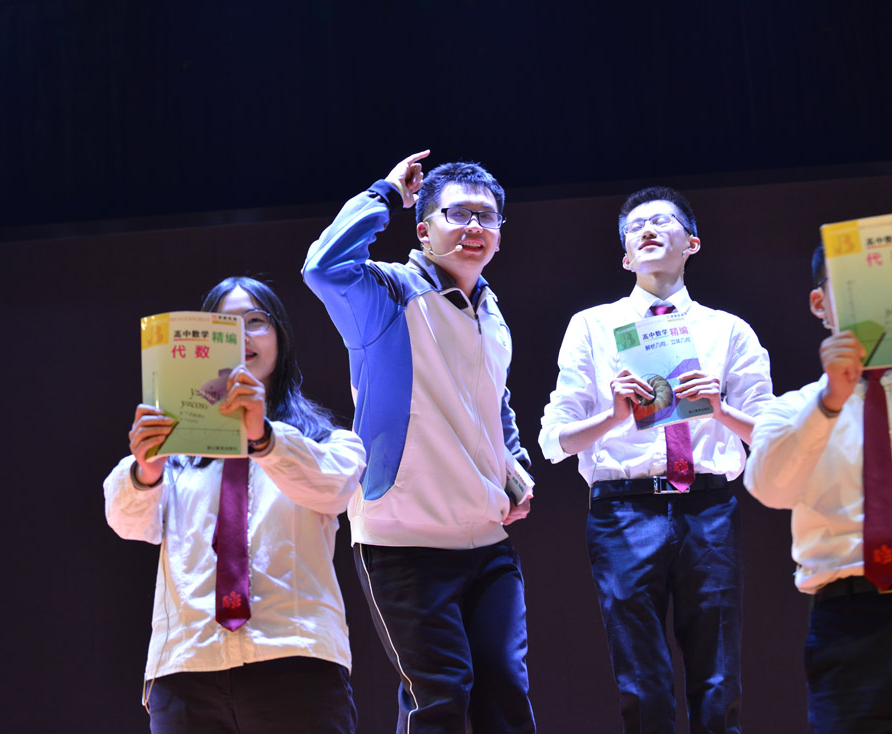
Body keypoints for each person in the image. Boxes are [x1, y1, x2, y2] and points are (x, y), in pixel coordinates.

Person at [302, 151, 536, 733]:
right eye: (458, 214)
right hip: (404, 538)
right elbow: (323, 268)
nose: (474, 226)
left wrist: (515, 464)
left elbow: (494, 402)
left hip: (487, 538)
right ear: (424, 229)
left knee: (506, 694)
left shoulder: (492, 313)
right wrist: (384, 193)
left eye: (487, 217)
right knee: (440, 696)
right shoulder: (389, 293)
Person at [538, 186, 772, 733]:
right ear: (625, 257)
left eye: (662, 221)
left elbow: (773, 435)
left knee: (719, 678)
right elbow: (554, 440)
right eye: (635, 226)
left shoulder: (728, 330)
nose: (647, 229)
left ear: (692, 243)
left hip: (708, 506)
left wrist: (720, 410)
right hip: (623, 511)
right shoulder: (592, 326)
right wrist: (614, 416)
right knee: (641, 683)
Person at [103, 277, 366, 734]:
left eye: (256, 321)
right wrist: (145, 470)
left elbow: (334, 490)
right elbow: (127, 522)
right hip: (188, 667)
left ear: (281, 338)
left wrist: (263, 437)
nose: (242, 337)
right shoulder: (174, 450)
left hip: (296, 658)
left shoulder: (324, 441)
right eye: (225, 326)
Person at [745, 246, 892, 733]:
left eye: (891, 288)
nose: (876, 302)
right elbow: (769, 488)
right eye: (856, 289)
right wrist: (831, 401)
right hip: (850, 624)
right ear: (821, 304)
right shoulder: (791, 409)